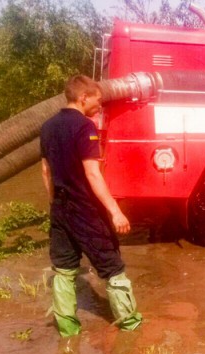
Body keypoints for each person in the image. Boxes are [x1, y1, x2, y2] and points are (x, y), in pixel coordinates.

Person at [40, 75, 142, 337]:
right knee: (112, 266)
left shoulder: (48, 126)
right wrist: (115, 211)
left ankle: (67, 332)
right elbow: (93, 174)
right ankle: (131, 326)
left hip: (60, 209)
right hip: (84, 209)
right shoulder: (85, 127)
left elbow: (45, 171)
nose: (100, 105)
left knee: (63, 269)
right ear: (83, 97)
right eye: (97, 100)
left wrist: (54, 205)